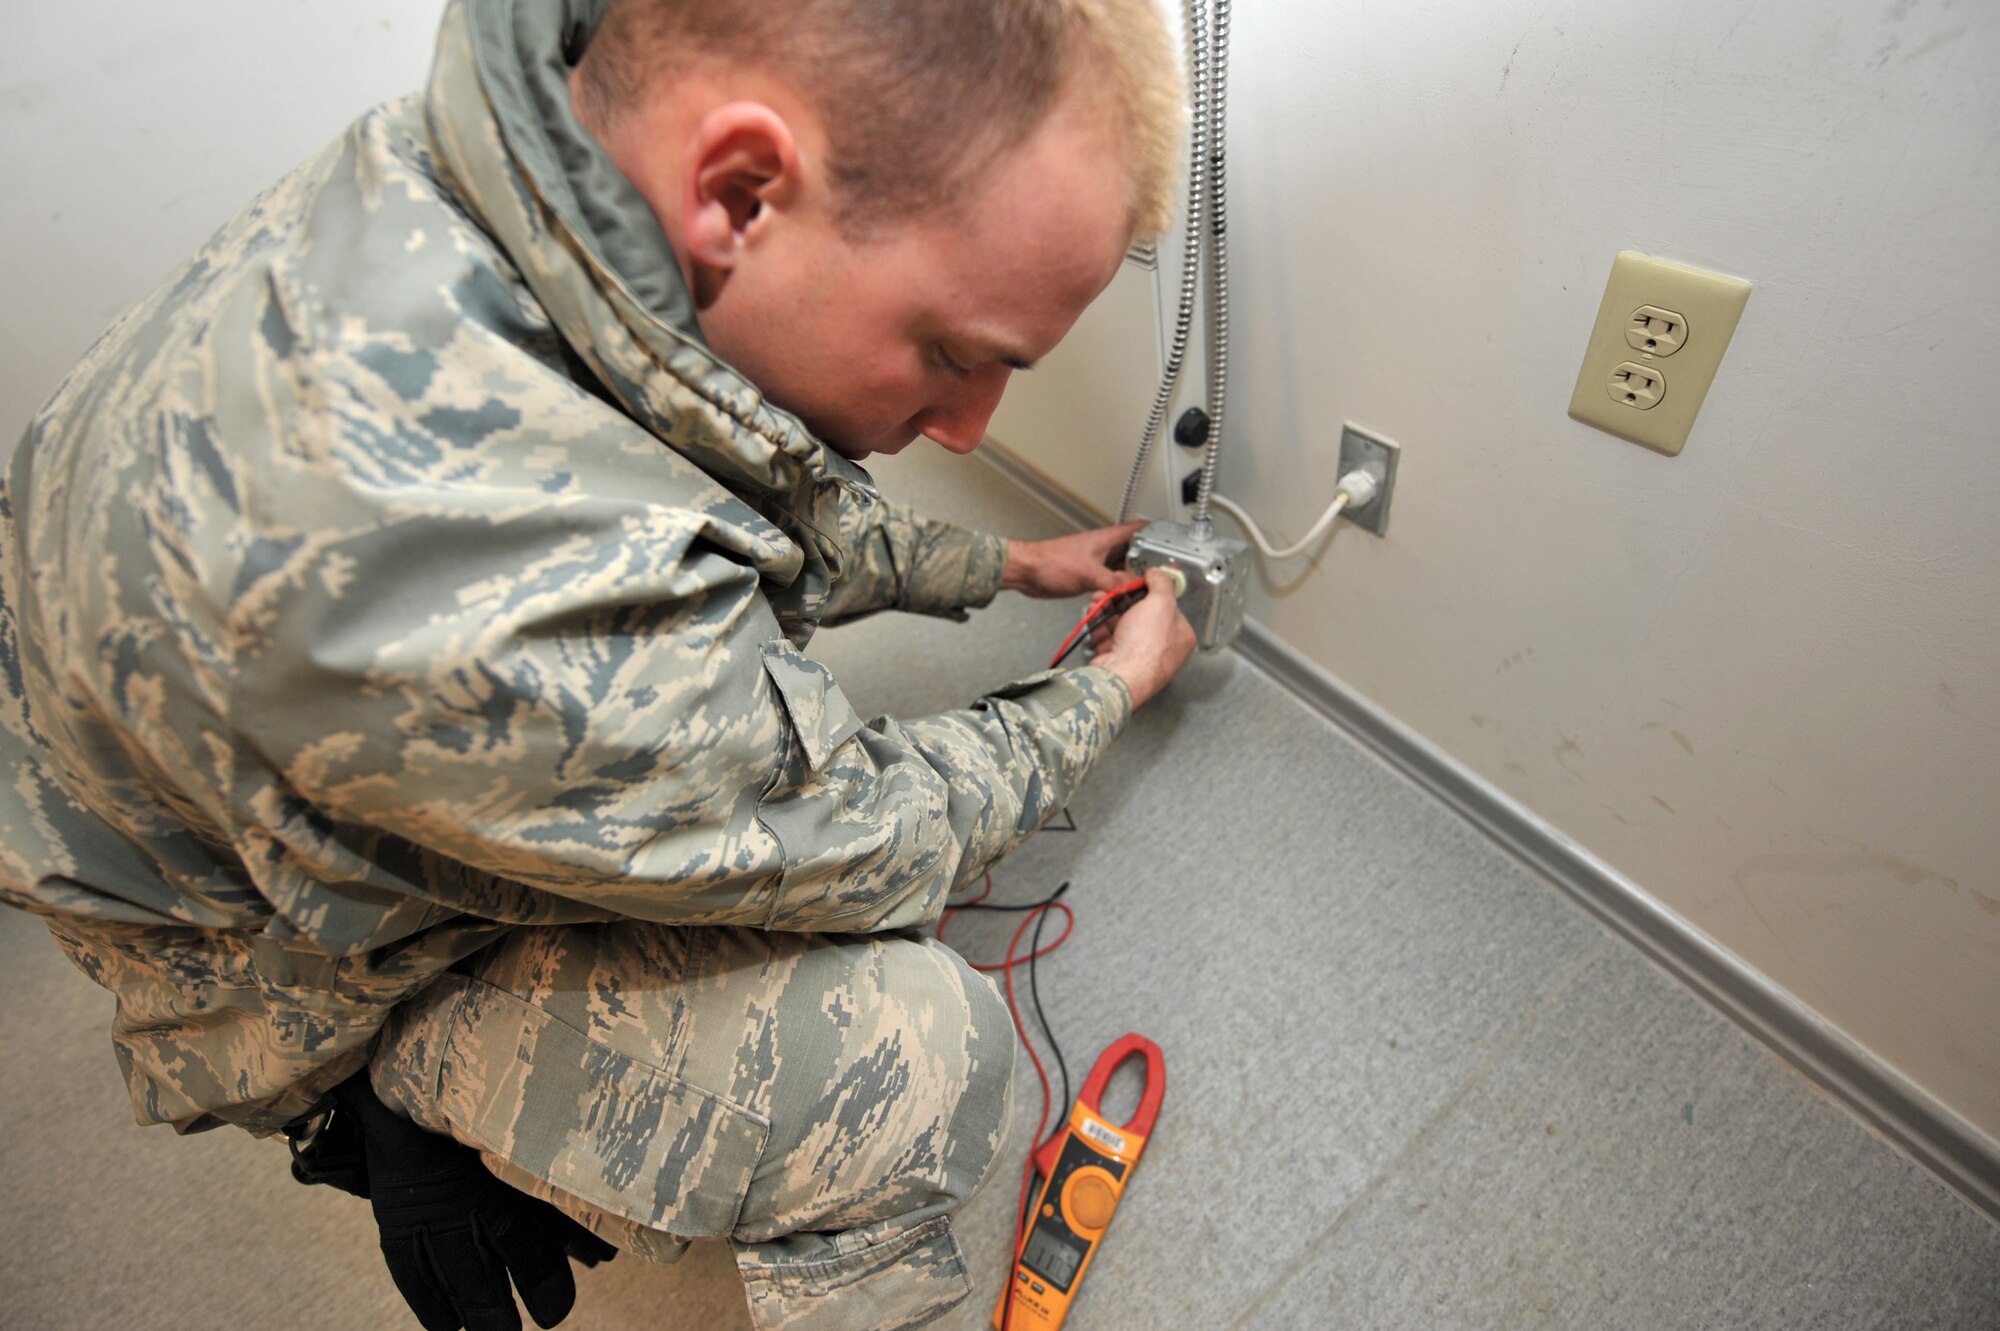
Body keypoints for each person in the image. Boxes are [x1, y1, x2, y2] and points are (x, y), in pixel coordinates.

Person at [0, 0, 1193, 1327]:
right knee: (914, 1055)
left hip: (252, 787)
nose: (973, 431)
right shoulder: (489, 588)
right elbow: (880, 833)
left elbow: (743, 465)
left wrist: (1008, 568)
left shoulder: (520, 162)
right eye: (959, 356)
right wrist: (1111, 685)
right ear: (739, 194)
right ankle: (369, 1080)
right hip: (255, 965)